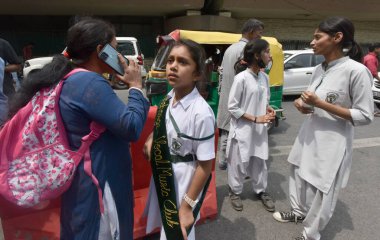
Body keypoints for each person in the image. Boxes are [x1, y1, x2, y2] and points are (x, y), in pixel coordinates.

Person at [9, 17, 150, 240]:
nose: (119, 57)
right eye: (114, 49)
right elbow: (131, 127)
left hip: (83, 181)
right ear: (100, 51)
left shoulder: (70, 78)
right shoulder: (89, 83)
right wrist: (136, 88)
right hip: (101, 185)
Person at [272, 16, 374, 240]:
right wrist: (301, 103)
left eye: (317, 37)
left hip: (333, 141)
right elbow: (310, 97)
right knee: (297, 172)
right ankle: (298, 212)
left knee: (322, 188)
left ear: (337, 38)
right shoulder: (319, 69)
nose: (312, 42)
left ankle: (311, 234)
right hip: (310, 132)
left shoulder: (355, 71)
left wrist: (321, 104)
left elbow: (365, 115)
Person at [143, 39, 215, 240]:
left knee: (177, 234)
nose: (173, 66)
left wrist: (186, 206)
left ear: (197, 74)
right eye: (170, 60)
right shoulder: (169, 97)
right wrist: (151, 139)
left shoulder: (202, 114)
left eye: (183, 62)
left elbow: (205, 166)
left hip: (184, 183)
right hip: (164, 176)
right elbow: (161, 128)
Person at [226, 39, 275, 212]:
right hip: (243, 129)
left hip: (260, 128)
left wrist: (268, 110)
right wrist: (255, 118)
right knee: (239, 162)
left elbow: (264, 100)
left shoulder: (265, 77)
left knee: (259, 161)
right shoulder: (241, 78)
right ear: (256, 55)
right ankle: (235, 191)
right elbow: (232, 107)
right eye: (267, 51)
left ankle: (261, 190)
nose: (270, 55)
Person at [216, 18, 264, 170]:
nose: (260, 37)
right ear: (251, 32)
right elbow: (248, 77)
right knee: (237, 133)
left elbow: (223, 73)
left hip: (226, 93)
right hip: (239, 97)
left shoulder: (231, 48)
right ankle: (234, 164)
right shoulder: (246, 50)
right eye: (259, 33)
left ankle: (223, 161)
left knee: (225, 128)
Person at [0, 38, 21, 126]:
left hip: (5, 93)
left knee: (6, 125)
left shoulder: (3, 44)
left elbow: (17, 66)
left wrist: (1, 68)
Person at [363, 42, 380, 116]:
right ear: (376, 49)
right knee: (368, 95)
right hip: (365, 80)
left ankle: (373, 110)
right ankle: (374, 111)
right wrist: (379, 79)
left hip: (365, 79)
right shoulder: (371, 58)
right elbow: (373, 72)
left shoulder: (368, 57)